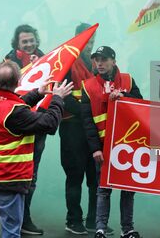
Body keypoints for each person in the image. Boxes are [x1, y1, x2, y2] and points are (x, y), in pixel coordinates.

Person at [0, 60, 73, 238]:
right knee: (11, 232)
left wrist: (37, 93)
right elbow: (49, 124)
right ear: (18, 82)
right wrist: (57, 99)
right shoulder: (15, 112)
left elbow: (11, 109)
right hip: (8, 180)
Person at [81, 46, 142, 238]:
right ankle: (100, 229)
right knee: (103, 189)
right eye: (96, 59)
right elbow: (88, 121)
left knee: (128, 189)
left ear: (114, 61)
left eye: (104, 59)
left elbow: (141, 104)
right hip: (104, 147)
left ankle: (127, 229)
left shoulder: (127, 80)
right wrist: (95, 149)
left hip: (127, 145)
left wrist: (124, 97)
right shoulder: (88, 86)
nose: (99, 63)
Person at [59, 23, 105, 235]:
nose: (90, 46)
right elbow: (63, 98)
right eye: (88, 41)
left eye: (93, 41)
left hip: (91, 128)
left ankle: (94, 221)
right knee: (75, 175)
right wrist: (88, 112)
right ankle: (73, 219)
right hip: (72, 127)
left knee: (94, 177)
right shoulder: (67, 62)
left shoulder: (97, 64)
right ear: (78, 39)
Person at [5, 24, 46, 235]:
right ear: (17, 44)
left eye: (31, 40)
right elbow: (4, 90)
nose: (29, 44)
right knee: (13, 174)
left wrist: (40, 67)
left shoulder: (47, 60)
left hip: (37, 125)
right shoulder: (8, 62)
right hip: (15, 127)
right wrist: (27, 70)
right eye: (25, 42)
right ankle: (9, 217)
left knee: (32, 175)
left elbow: (55, 84)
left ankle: (24, 218)